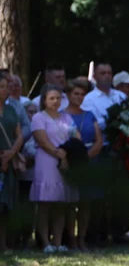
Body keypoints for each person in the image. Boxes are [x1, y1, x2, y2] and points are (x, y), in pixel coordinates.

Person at [30, 85, 78, 253]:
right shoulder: (38, 117)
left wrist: (66, 153)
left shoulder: (67, 117)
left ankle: (58, 243)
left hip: (65, 163)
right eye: (51, 98)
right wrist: (60, 154)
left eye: (58, 98)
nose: (55, 101)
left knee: (61, 204)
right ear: (44, 100)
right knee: (45, 204)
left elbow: (76, 137)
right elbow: (42, 141)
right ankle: (45, 242)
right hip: (46, 162)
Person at [64, 77, 104, 250]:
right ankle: (70, 239)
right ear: (68, 95)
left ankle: (82, 238)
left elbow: (99, 140)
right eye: (76, 94)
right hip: (69, 163)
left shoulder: (89, 115)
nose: (79, 97)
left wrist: (85, 156)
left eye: (82, 94)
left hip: (88, 161)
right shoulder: (62, 115)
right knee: (70, 203)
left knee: (86, 203)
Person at [0, 73, 25, 250]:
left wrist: (12, 152)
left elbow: (19, 135)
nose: (5, 90)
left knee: (6, 203)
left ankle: (4, 244)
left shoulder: (11, 109)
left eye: (6, 87)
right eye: (1, 86)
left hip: (8, 162)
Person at [82, 62, 127, 128]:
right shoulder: (88, 99)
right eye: (103, 73)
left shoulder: (121, 95)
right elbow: (93, 124)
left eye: (109, 73)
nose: (107, 76)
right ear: (95, 77)